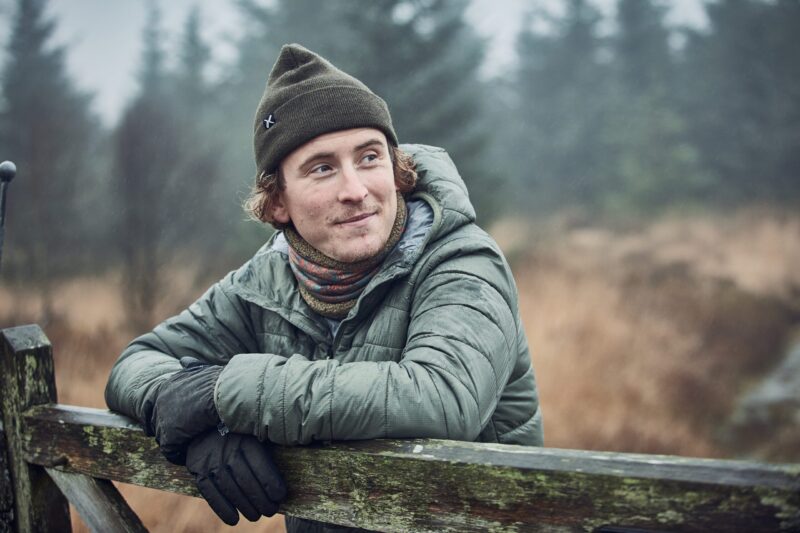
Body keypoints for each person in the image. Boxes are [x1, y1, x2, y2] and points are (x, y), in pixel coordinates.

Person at [105, 43, 543, 532]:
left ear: (397, 171)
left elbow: (442, 398)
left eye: (370, 157)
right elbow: (136, 363)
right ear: (277, 202)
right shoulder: (263, 284)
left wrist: (222, 393)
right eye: (322, 168)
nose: (355, 189)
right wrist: (196, 427)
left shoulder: (461, 261)